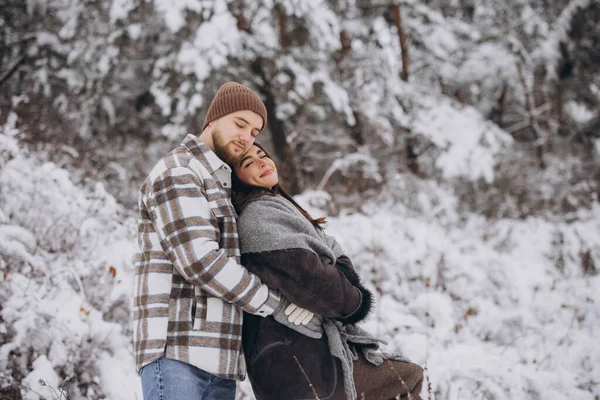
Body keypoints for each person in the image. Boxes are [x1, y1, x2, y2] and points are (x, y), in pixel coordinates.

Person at [133, 82, 323, 400]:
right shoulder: (179, 171)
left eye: (254, 132)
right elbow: (200, 261)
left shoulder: (220, 185)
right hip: (178, 353)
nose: (246, 137)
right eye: (239, 124)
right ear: (213, 119)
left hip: (220, 363)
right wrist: (277, 305)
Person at [231, 143, 425, 400]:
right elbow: (316, 280)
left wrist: (334, 274)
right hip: (302, 361)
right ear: (237, 179)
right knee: (407, 377)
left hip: (292, 362)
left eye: (263, 155)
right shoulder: (259, 216)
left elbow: (332, 260)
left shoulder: (277, 209)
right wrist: (355, 301)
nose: (262, 162)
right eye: (248, 163)